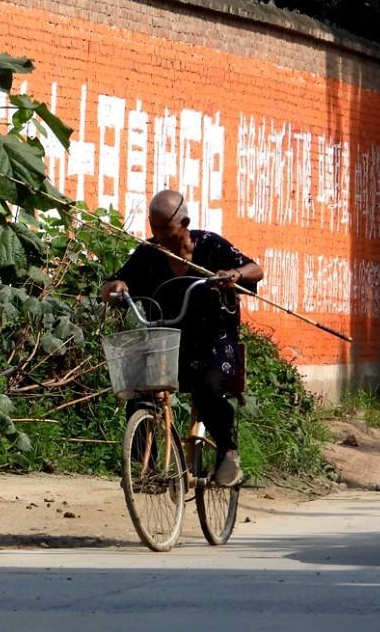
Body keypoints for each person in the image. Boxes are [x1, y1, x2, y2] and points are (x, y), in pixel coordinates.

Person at [101, 189, 263, 486]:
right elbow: (113, 282)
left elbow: (256, 269)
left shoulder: (210, 245)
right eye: (154, 227)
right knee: (140, 390)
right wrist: (118, 287)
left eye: (165, 228)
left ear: (184, 221)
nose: (158, 235)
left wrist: (235, 276)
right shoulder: (149, 253)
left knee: (207, 387)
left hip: (213, 340)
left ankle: (228, 450)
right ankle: (142, 468)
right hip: (168, 338)